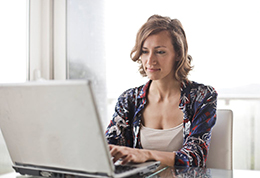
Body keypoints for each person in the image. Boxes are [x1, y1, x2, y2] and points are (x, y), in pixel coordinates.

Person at [105, 14, 217, 167]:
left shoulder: (202, 97)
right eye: (145, 51)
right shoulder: (129, 99)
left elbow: (195, 157)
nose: (150, 60)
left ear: (178, 54)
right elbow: (108, 149)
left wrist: (146, 154)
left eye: (160, 51)